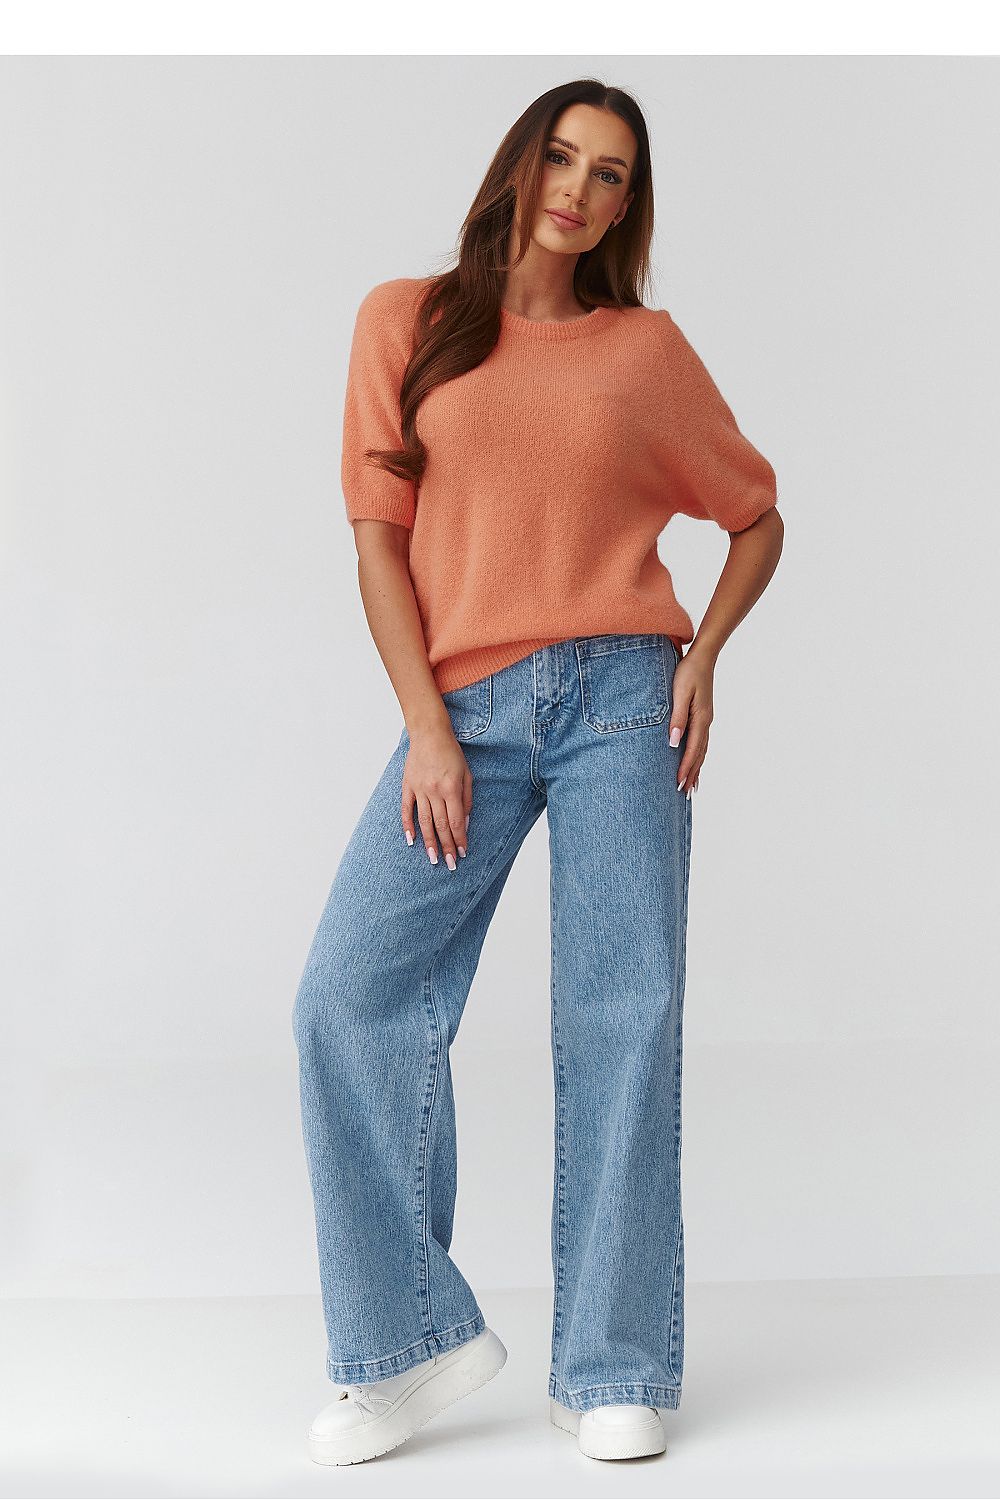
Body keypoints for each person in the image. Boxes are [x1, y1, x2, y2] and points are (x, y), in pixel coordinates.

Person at [291, 78, 783, 1467]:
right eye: (562, 156)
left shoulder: (643, 351)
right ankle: (406, 1344)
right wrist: (427, 726)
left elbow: (755, 516)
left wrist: (703, 657)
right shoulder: (407, 320)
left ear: (627, 207)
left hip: (625, 696)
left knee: (624, 1013)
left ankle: (613, 1364)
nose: (577, 187)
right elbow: (378, 542)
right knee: (346, 997)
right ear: (520, 164)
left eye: (609, 174)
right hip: (465, 705)